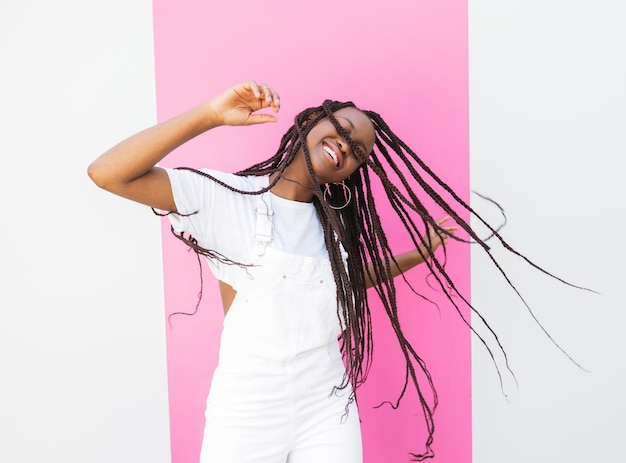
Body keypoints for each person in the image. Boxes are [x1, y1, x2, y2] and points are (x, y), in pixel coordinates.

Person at [87, 81, 534, 462]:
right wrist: (211, 114)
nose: (346, 145)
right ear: (307, 124)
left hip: (327, 406)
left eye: (358, 150)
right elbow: (109, 173)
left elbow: (346, 281)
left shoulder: (335, 227)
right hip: (247, 410)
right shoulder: (228, 199)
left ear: (353, 171)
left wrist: (418, 252)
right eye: (341, 129)